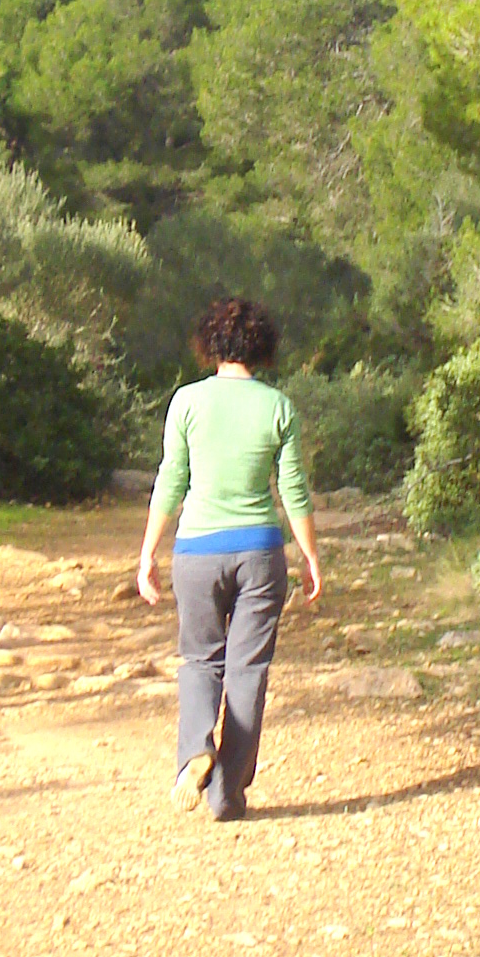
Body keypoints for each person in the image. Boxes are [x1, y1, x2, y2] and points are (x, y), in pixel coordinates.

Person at [136, 297, 321, 821]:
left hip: (197, 550)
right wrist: (309, 555)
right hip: (259, 551)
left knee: (199, 660)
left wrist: (149, 551)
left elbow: (171, 479)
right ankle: (227, 795)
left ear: (211, 344)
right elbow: (293, 489)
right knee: (248, 671)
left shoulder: (186, 402)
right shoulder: (278, 406)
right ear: (262, 347)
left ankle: (197, 746)